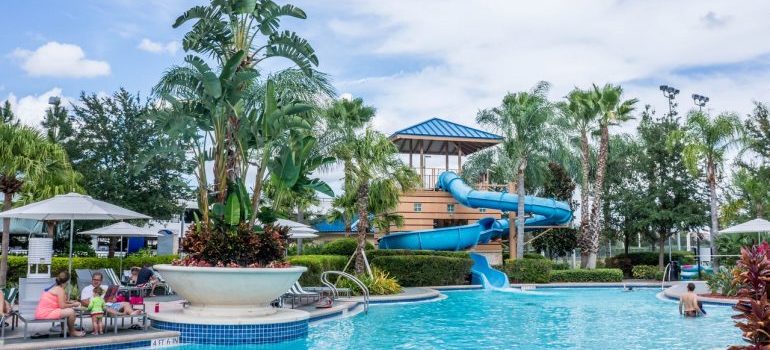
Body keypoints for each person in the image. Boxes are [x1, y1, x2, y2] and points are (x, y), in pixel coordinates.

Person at [34, 271, 85, 337]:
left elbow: (59, 301)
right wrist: (74, 305)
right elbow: (62, 306)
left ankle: (64, 331)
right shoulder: (60, 290)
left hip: (41, 312)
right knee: (71, 312)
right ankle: (73, 332)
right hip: (46, 313)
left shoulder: (55, 287)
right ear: (67, 282)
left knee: (67, 310)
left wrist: (70, 302)